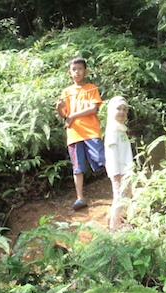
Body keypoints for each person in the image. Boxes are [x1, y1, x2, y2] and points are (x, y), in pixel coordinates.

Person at [56, 57, 105, 210]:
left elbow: (93, 109)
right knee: (77, 167)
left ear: (86, 71)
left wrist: (73, 116)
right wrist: (59, 107)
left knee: (102, 159)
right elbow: (64, 114)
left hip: (91, 131)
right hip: (74, 134)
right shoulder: (66, 91)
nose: (77, 72)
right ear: (69, 72)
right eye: (74, 70)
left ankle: (119, 189)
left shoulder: (91, 88)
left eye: (80, 69)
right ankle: (80, 198)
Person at [104, 96, 134, 231]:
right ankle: (115, 227)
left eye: (124, 109)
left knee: (126, 197)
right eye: (118, 109)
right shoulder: (112, 130)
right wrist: (115, 173)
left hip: (126, 170)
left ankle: (118, 220)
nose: (121, 112)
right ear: (111, 111)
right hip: (118, 172)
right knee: (119, 198)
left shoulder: (120, 128)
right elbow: (111, 153)